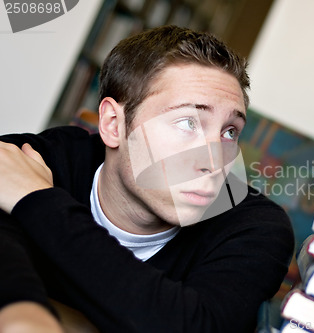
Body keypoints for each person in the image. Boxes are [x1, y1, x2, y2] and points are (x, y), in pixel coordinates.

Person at [0, 25, 294, 332]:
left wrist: (36, 200)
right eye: (187, 122)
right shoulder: (36, 158)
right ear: (114, 124)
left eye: (230, 131)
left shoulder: (256, 227)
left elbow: (195, 327)